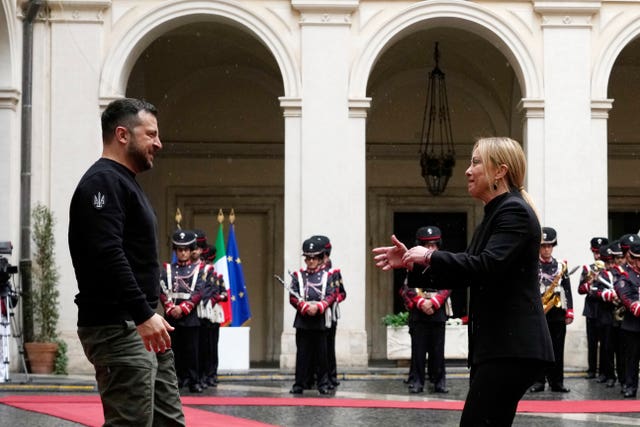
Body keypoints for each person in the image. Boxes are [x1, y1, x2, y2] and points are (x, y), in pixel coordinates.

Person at [373, 137, 554, 426]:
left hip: (511, 348)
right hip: (502, 348)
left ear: (500, 171)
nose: (468, 171)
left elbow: (486, 265)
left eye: (476, 162)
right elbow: (465, 272)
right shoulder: (496, 214)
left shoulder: (513, 211)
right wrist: (412, 261)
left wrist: (430, 257)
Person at [69, 98, 185, 426]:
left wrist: (150, 313)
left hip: (141, 325)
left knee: (169, 422)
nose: (158, 144)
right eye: (151, 134)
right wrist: (143, 313)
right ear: (122, 135)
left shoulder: (124, 182)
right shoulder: (102, 182)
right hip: (121, 327)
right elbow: (107, 255)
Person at [399, 225, 451, 394]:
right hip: (419, 314)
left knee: (438, 351)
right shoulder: (411, 263)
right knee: (418, 351)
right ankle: (417, 382)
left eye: (434, 245)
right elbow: (406, 288)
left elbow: (448, 285)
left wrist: (435, 302)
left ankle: (439, 382)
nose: (431, 248)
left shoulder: (443, 263)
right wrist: (421, 302)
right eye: (427, 245)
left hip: (437, 313)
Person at [289, 238, 338, 395]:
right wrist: (304, 306)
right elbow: (292, 296)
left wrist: (319, 306)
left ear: (320, 258)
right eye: (308, 258)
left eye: (313, 258)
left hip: (320, 319)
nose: (310, 261)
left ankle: (323, 384)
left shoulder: (327, 275)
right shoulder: (298, 275)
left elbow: (332, 294)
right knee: (302, 354)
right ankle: (299, 383)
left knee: (322, 355)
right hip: (303, 320)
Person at [160, 230, 205, 393]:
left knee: (192, 350)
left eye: (186, 249)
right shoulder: (167, 269)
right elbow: (162, 290)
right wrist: (171, 308)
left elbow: (199, 291)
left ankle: (194, 380)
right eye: (180, 249)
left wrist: (183, 308)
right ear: (175, 251)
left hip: (190, 316)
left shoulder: (198, 269)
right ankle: (175, 380)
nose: (183, 252)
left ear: (191, 250)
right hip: (172, 316)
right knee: (174, 350)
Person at [530, 227, 573, 393]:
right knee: (539, 348)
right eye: (543, 246)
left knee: (557, 348)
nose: (546, 249)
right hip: (539, 311)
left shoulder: (561, 266)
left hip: (557, 312)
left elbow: (567, 289)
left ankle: (557, 382)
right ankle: (538, 381)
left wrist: (569, 311)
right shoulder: (534, 265)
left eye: (549, 246)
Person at [312, 234, 346, 389]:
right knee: (313, 349)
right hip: (312, 315)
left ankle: (331, 377)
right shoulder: (310, 271)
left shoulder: (333, 272)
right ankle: (314, 376)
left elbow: (342, 293)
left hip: (329, 315)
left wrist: (331, 300)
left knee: (328, 348)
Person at [577, 237, 608, 380]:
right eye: (595, 252)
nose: (597, 256)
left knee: (605, 342)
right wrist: (589, 282)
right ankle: (591, 370)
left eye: (600, 253)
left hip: (604, 308)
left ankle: (603, 371)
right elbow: (580, 289)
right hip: (591, 309)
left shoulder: (608, 269)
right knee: (592, 341)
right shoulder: (587, 268)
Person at [613, 240, 640, 398]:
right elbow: (628, 300)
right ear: (634, 259)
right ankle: (630, 386)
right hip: (633, 326)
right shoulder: (625, 276)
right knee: (632, 358)